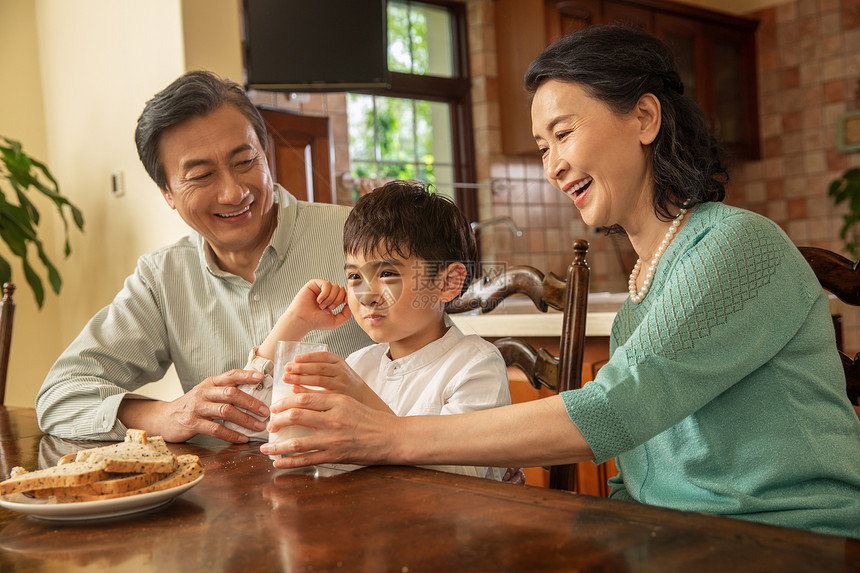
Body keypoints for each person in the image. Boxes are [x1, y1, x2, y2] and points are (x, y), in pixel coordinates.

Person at [258, 25, 860, 537]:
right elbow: (644, 470)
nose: (552, 166)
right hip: (674, 536)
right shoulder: (641, 294)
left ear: (644, 117)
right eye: (543, 147)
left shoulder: (735, 242)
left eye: (564, 134)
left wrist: (390, 437)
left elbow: (615, 409)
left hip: (788, 537)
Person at [35, 70, 371, 444]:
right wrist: (166, 414)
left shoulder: (361, 238)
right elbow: (59, 397)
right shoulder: (162, 278)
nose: (233, 192)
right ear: (167, 193)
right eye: (202, 175)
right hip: (226, 497)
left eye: (245, 162)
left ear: (266, 154)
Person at [237, 181, 510, 479]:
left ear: (446, 283)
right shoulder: (360, 363)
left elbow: (461, 479)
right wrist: (293, 324)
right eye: (354, 276)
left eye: (388, 273)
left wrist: (360, 396)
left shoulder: (475, 366)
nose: (366, 295)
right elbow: (246, 427)